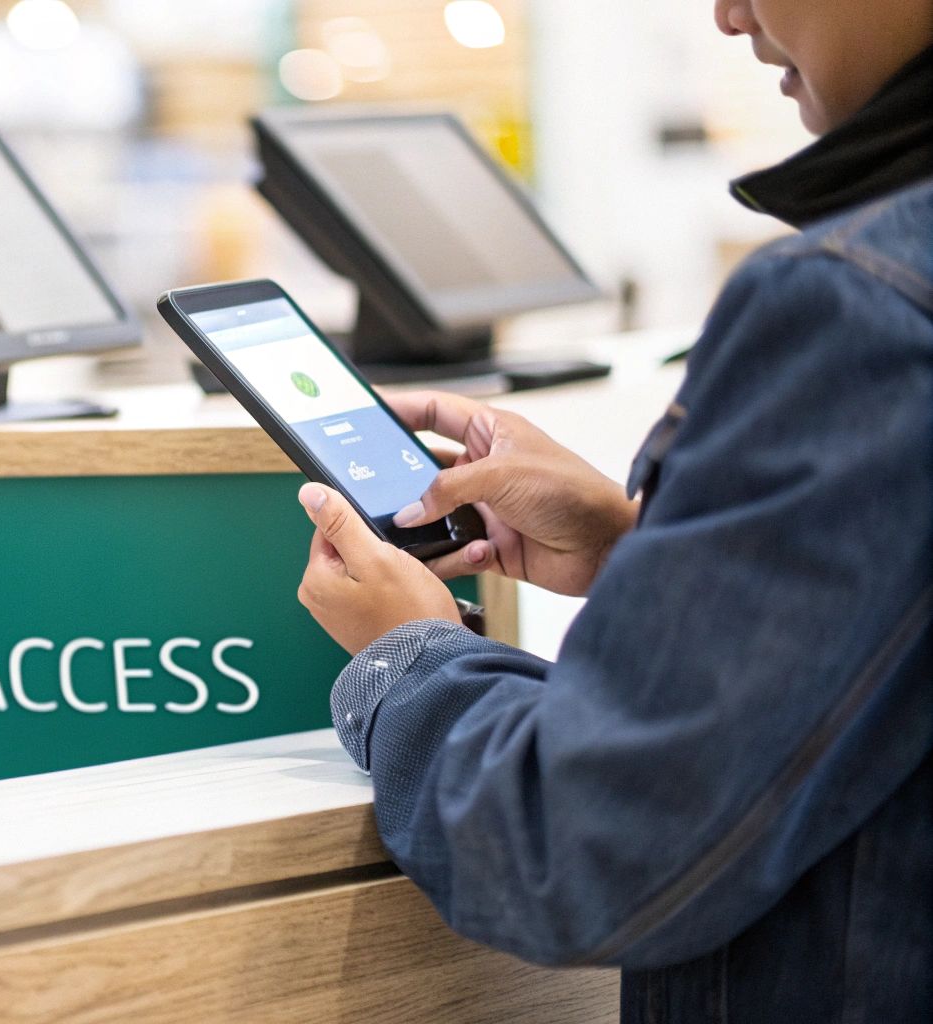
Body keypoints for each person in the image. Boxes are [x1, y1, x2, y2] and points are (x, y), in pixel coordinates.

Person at [291, 2, 933, 1020]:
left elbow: (582, 844)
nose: (728, 14)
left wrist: (407, 654)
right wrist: (648, 551)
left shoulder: (853, 305)